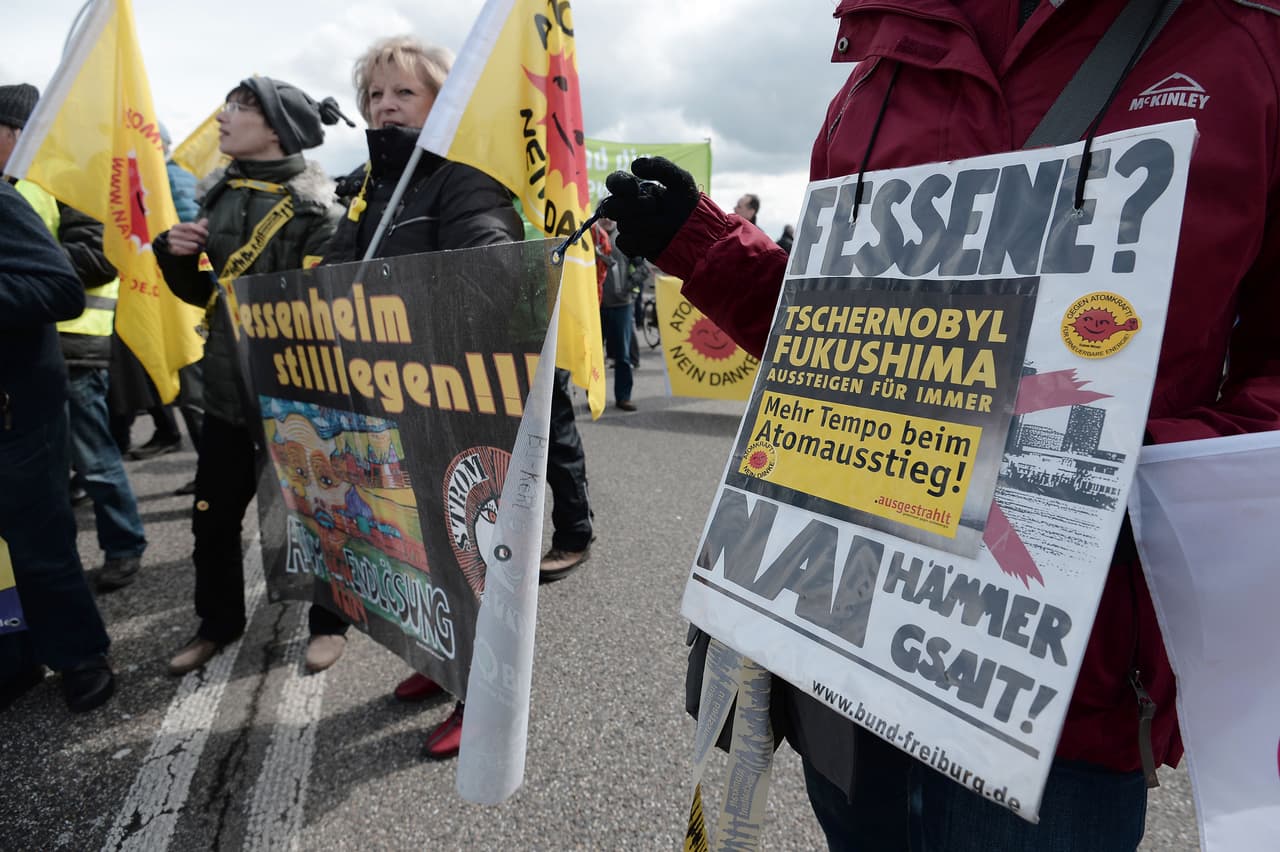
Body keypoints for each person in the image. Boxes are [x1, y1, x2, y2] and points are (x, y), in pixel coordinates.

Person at [602, 1, 1280, 849]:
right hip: (845, 643)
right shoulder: (882, 57)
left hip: (1055, 690)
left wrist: (1123, 474)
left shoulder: (1244, 41)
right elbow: (837, 338)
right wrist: (702, 246)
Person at [323, 35, 525, 760]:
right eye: (375, 96)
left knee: (469, 553)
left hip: (455, 397)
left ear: (445, 101)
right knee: (417, 549)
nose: (384, 106)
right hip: (388, 396)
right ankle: (442, 666)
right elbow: (341, 273)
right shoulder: (369, 187)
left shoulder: (464, 173)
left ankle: (487, 696)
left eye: (403, 93)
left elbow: (490, 265)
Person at [154, 76, 347, 677]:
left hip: (297, 394)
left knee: (315, 517)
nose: (222, 118)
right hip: (226, 391)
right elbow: (204, 294)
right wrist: (174, 255)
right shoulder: (217, 193)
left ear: (275, 130)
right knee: (212, 517)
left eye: (238, 109)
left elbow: (329, 309)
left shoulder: (316, 206)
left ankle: (330, 622)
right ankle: (217, 623)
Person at [1, 82, 149, 594]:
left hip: (74, 349)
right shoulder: (12, 184)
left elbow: (101, 252)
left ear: (19, 133)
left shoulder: (67, 182)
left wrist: (33, 266)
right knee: (48, 470)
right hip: (27, 357)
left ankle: (124, 546)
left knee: (95, 459)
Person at [0, 179, 115, 713]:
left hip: (15, 412)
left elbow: (61, 289)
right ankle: (15, 656)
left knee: (38, 545)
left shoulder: (3, 200)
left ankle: (78, 656)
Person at [596, 217, 639, 411]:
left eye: (610, 215)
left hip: (622, 305)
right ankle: (595, 399)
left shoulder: (626, 238)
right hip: (595, 306)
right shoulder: (590, 238)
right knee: (595, 356)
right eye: (602, 214)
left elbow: (643, 268)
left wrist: (628, 286)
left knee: (623, 356)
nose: (606, 219)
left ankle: (624, 397)